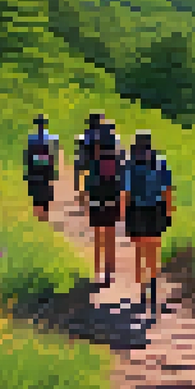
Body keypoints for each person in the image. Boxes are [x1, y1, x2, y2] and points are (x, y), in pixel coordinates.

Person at [120, 130, 174, 316]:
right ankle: (152, 285)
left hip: (137, 210)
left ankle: (142, 290)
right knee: (153, 251)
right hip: (156, 210)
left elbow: (126, 193)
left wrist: (124, 214)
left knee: (139, 251)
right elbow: (167, 190)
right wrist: (168, 212)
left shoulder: (130, 164)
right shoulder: (161, 162)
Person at [85, 121, 124, 287]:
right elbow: (122, 181)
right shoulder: (117, 157)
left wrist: (85, 200)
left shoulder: (94, 158)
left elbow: (88, 182)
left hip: (96, 199)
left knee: (97, 237)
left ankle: (97, 271)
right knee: (110, 236)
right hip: (112, 198)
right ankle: (110, 271)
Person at [23, 114, 59, 223]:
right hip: (45, 170)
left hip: (36, 171)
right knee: (44, 193)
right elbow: (53, 156)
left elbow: (28, 157)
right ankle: (44, 216)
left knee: (37, 194)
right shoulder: (51, 139)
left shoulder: (32, 139)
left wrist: (27, 172)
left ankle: (39, 217)